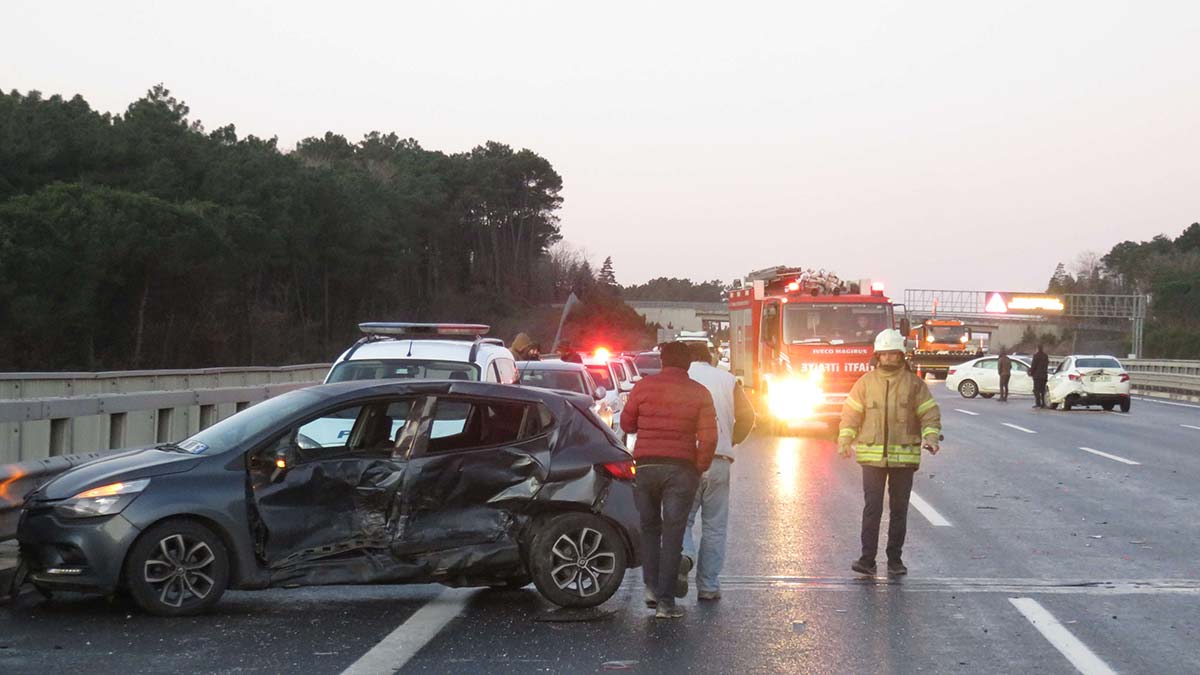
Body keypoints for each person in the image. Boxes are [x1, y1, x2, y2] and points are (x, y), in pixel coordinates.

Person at [621, 341, 718, 619]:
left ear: (663, 362)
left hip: (647, 466)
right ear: (688, 364)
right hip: (681, 469)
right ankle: (666, 603)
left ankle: (650, 588)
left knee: (649, 528)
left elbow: (627, 424)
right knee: (673, 534)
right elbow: (709, 438)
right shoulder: (700, 393)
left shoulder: (643, 387)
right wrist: (698, 467)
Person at [838, 329, 942, 577]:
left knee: (899, 510)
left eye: (893, 354)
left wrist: (931, 437)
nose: (888, 359)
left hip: (904, 458)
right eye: (884, 355)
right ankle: (867, 560)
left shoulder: (914, 385)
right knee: (872, 508)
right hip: (872, 459)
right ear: (877, 356)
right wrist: (844, 440)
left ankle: (895, 560)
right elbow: (851, 415)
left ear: (901, 355)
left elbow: (929, 413)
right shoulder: (865, 383)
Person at [681, 342, 756, 601]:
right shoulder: (728, 380)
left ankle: (684, 557)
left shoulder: (681, 377)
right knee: (714, 526)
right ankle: (709, 586)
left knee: (682, 518)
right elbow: (748, 417)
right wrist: (729, 440)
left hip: (686, 460)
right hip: (719, 460)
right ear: (710, 358)